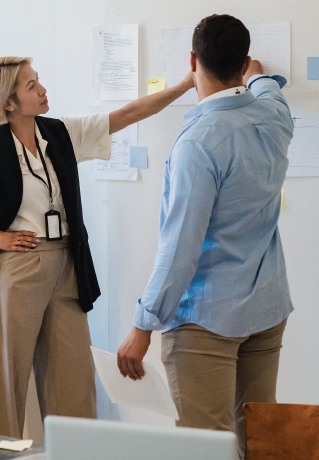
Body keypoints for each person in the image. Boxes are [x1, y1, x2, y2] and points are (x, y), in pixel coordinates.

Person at [0, 56, 194, 437]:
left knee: (73, 376)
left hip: (67, 263)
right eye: (31, 86)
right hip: (18, 267)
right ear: (8, 102)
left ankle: (75, 451)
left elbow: (127, 114)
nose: (43, 90)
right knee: (8, 379)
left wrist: (184, 86)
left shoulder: (60, 133)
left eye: (39, 81)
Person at [116, 14, 294, 458]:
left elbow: (181, 250)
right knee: (261, 441)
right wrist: (259, 77)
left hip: (206, 320)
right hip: (267, 308)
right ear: (243, 61)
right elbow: (269, 87)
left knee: (205, 447)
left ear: (192, 60)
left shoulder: (199, 142)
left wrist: (143, 324)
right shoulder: (274, 116)